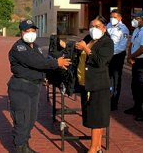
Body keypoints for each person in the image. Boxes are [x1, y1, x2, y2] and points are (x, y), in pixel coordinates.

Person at [8, 19, 71, 153]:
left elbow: (44, 60)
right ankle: (20, 147)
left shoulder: (35, 46)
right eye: (27, 31)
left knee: (31, 119)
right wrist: (56, 63)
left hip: (33, 88)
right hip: (21, 88)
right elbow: (37, 62)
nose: (30, 33)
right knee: (22, 120)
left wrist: (44, 76)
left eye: (33, 31)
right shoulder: (19, 48)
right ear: (21, 32)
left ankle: (24, 145)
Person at [74, 15, 114, 153]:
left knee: (97, 117)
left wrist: (85, 49)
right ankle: (96, 147)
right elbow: (79, 48)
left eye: (97, 26)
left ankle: (93, 148)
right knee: (94, 116)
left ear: (104, 28)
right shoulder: (88, 39)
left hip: (98, 84)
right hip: (86, 83)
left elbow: (100, 61)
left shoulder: (107, 42)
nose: (93, 29)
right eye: (91, 26)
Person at [125, 10, 143, 121]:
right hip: (136, 61)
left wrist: (130, 57)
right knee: (135, 85)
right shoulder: (137, 30)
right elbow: (131, 44)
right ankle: (136, 107)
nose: (134, 20)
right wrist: (130, 56)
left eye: (136, 18)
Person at [106, 9, 129, 111]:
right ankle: (105, 99)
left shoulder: (124, 29)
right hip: (107, 56)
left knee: (116, 79)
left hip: (117, 56)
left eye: (115, 17)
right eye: (111, 17)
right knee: (106, 78)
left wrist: (111, 54)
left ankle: (114, 102)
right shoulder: (108, 26)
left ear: (120, 18)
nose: (112, 19)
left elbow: (122, 46)